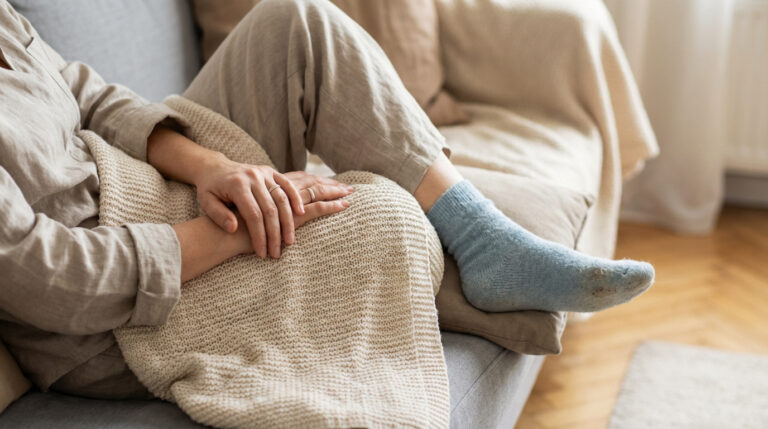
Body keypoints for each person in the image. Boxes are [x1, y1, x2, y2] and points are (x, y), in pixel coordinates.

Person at [0, 0, 654, 399]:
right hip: (109, 313)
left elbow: (91, 95)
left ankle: (482, 235)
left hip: (141, 183)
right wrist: (233, 227)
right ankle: (495, 261)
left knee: (295, 23)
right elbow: (54, 280)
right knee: (375, 215)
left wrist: (213, 167)